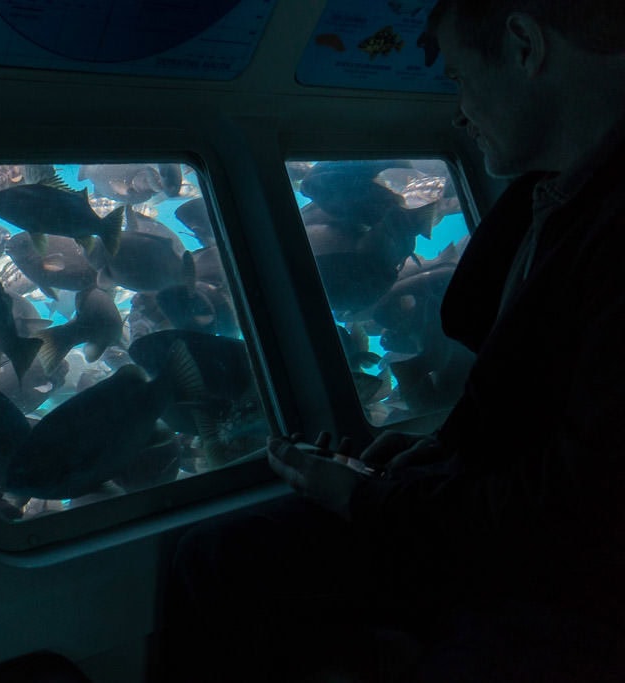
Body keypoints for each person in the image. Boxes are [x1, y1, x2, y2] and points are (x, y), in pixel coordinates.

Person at [162, 1, 625, 680]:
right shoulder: (552, 201)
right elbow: (538, 416)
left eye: (461, 79)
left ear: (525, 46)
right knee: (211, 558)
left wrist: (369, 500)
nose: (460, 113)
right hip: (494, 535)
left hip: (565, 592)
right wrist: (434, 452)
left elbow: (573, 509)